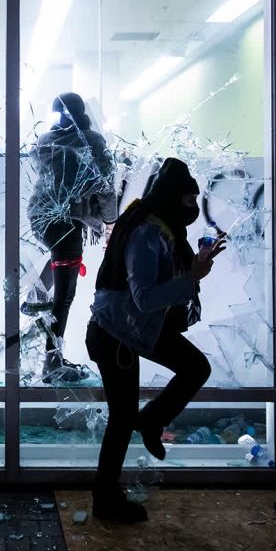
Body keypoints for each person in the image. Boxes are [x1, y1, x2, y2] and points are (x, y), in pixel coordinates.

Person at [87, 157, 224, 522]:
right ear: (170, 198)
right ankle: (106, 500)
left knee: (195, 368)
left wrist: (196, 267)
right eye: (187, 201)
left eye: (195, 201)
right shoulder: (148, 231)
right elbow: (144, 297)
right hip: (116, 333)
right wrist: (192, 276)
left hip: (135, 328)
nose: (192, 208)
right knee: (121, 416)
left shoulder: (162, 227)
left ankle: (150, 421)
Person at [26, 92, 118, 384]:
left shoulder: (44, 141)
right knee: (64, 297)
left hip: (41, 218)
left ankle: (35, 296)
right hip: (65, 223)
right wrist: (110, 222)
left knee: (59, 272)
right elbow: (103, 186)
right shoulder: (91, 141)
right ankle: (51, 363)